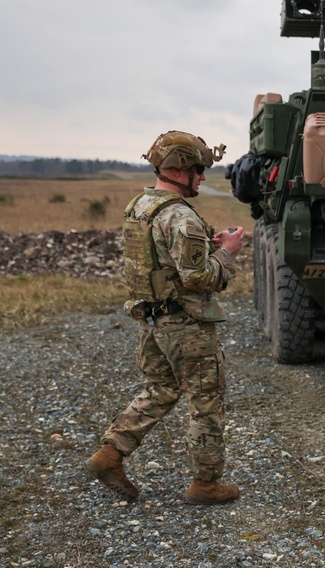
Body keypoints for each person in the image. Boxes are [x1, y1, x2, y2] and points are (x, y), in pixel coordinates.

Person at [85, 131, 244, 505]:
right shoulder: (179, 215)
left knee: (163, 388)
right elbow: (199, 278)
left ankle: (109, 455)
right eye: (199, 169)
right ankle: (205, 484)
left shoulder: (140, 206)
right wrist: (228, 254)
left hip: (151, 320)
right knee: (206, 400)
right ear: (180, 168)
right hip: (185, 324)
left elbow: (162, 260)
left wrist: (208, 247)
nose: (204, 177)